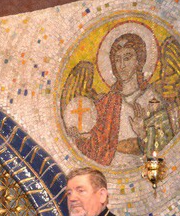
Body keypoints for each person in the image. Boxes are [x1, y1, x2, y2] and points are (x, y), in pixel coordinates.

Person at [71, 33, 173, 165]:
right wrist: (78, 136)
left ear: (139, 61)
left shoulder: (152, 99)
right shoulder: (107, 101)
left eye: (127, 58)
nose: (122, 65)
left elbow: (167, 143)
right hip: (112, 167)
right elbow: (96, 139)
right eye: (118, 60)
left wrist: (142, 133)